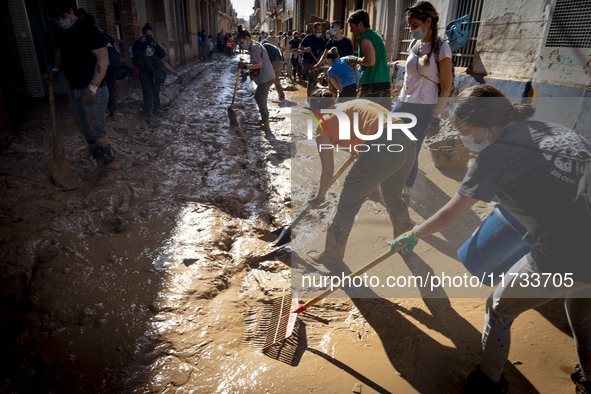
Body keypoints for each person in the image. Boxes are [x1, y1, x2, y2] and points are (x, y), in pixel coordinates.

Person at [390, 84, 591, 393]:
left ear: (481, 125)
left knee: (499, 309)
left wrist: (413, 232)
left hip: (563, 253)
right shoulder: (551, 128)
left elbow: (448, 216)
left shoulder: (494, 158)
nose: (462, 139)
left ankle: (487, 383)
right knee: (582, 312)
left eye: (463, 130)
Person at [306, 89, 416, 271]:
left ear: (316, 112)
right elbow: (369, 129)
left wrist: (320, 196)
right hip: (407, 141)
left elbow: (328, 171)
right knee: (393, 195)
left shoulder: (324, 123)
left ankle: (331, 256)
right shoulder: (354, 105)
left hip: (383, 144)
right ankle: (404, 240)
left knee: (347, 204)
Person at [44, 0, 116, 180]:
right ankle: (99, 166)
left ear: (71, 10)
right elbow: (60, 52)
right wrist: (55, 70)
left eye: (63, 16)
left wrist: (92, 87)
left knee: (97, 131)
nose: (61, 20)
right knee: (86, 132)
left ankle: (111, 170)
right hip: (74, 88)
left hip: (94, 88)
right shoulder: (58, 31)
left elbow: (103, 60)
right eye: (56, 18)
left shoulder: (89, 30)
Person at [394, 2, 453, 203]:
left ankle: (406, 192)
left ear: (428, 22)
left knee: (411, 151)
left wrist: (437, 117)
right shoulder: (414, 45)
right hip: (403, 103)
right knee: (389, 141)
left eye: (415, 25)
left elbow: (446, 87)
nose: (412, 30)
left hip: (422, 108)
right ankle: (389, 179)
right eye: (410, 26)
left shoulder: (442, 49)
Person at [75, 9, 121, 118]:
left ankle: (101, 113)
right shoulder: (105, 33)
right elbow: (117, 50)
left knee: (100, 89)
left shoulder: (90, 33)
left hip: (102, 65)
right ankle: (112, 111)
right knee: (110, 88)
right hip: (113, 64)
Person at [237, 26, 275, 136]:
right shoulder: (255, 45)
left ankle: (266, 122)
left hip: (266, 77)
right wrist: (248, 71)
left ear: (247, 38)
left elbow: (259, 64)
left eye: (242, 41)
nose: (242, 44)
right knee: (261, 97)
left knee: (259, 97)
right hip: (268, 75)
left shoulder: (254, 48)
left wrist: (245, 66)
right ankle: (265, 119)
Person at [346, 10, 391, 99]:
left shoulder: (365, 38)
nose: (351, 31)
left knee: (362, 112)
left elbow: (370, 61)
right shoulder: (375, 36)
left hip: (372, 84)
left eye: (352, 27)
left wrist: (354, 60)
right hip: (384, 82)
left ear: (360, 24)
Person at [132, 23, 166, 117]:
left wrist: (155, 45)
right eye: (147, 35)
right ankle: (148, 110)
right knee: (147, 91)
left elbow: (162, 54)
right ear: (143, 34)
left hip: (155, 71)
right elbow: (135, 53)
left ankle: (156, 108)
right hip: (144, 71)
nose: (148, 37)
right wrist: (140, 43)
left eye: (150, 35)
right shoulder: (138, 43)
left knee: (156, 91)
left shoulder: (155, 44)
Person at [299, 23, 326, 96]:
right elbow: (300, 46)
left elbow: (324, 53)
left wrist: (322, 62)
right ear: (314, 29)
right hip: (306, 61)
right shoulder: (308, 37)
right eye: (318, 29)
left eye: (320, 30)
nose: (319, 31)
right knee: (312, 79)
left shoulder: (322, 41)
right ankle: (309, 98)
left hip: (316, 62)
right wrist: (305, 49)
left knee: (315, 80)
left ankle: (312, 96)